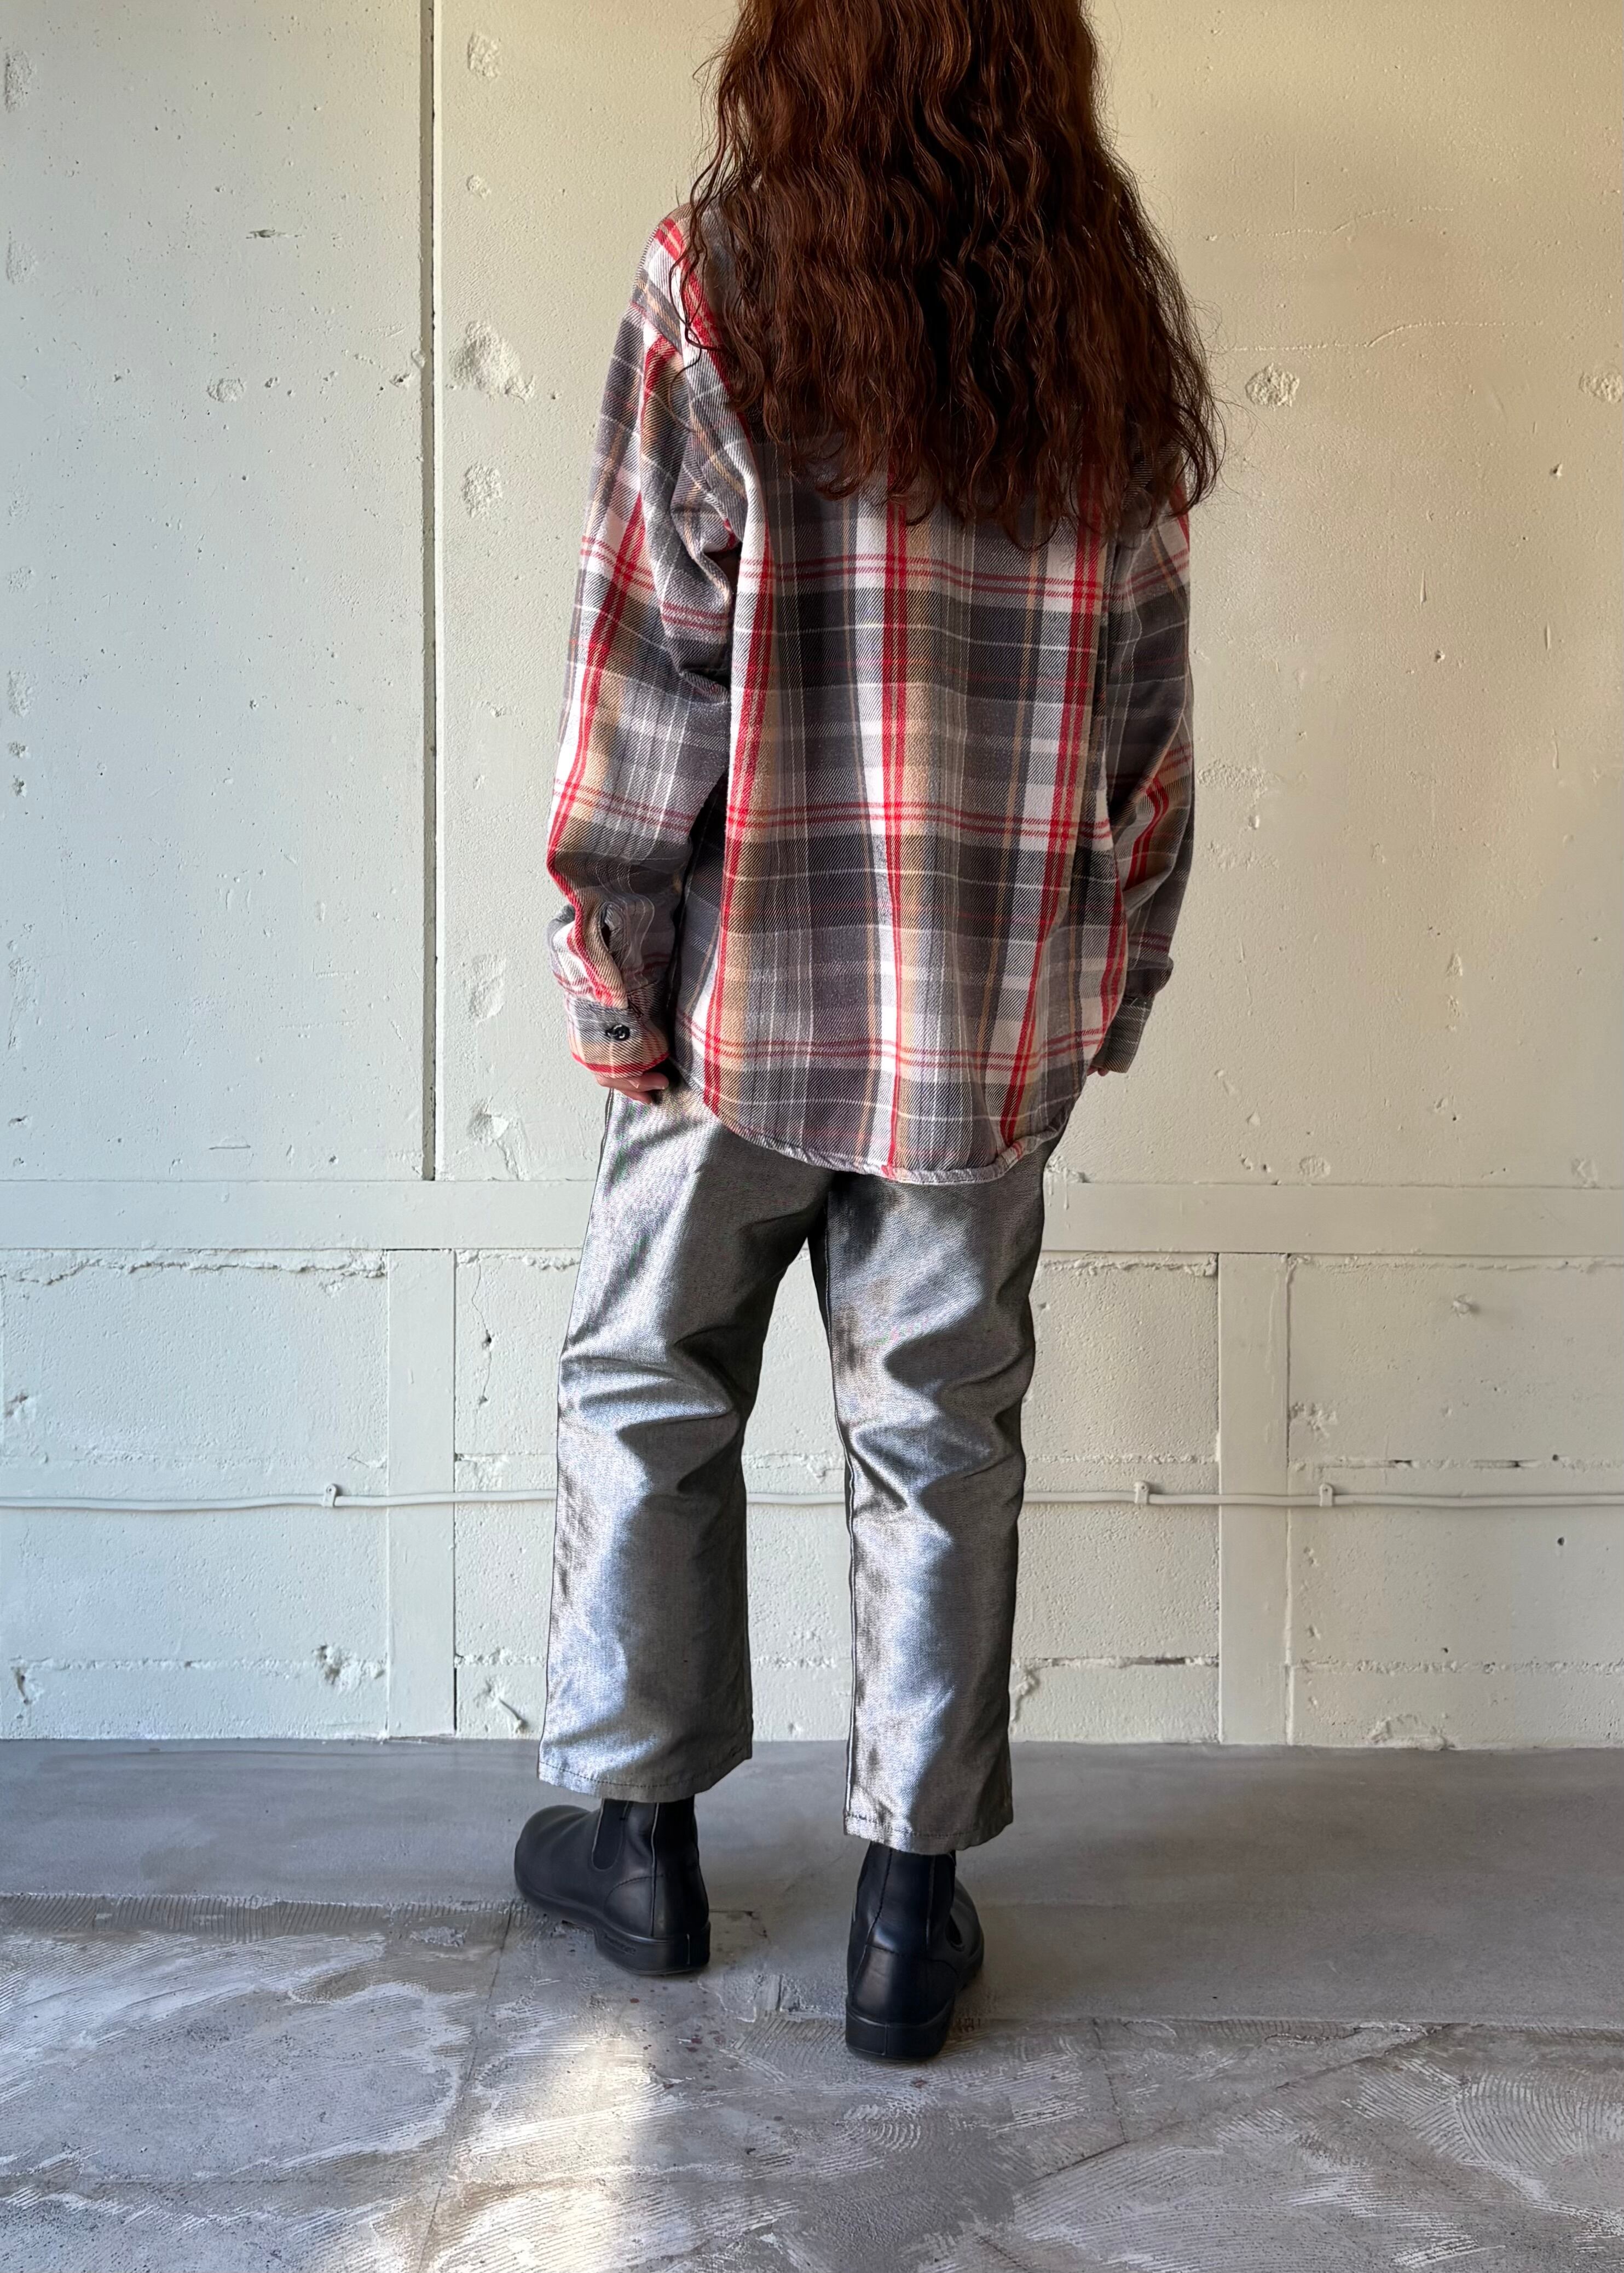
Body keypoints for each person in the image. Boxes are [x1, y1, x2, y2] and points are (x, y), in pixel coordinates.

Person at [513, 0, 1221, 2063]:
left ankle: (640, 1844)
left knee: (648, 1382)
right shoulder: (1094, 318)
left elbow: (644, 661)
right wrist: (1115, 974)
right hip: (983, 1018)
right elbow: (1146, 709)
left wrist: (609, 954)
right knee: (941, 1433)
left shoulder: (717, 286)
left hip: (738, 998)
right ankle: (910, 1912)